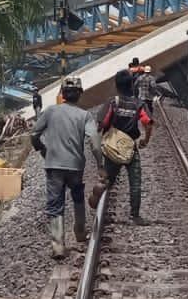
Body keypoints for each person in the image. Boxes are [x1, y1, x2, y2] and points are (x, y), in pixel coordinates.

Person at [29, 77, 96, 258]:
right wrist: (101, 165)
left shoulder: (50, 112)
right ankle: (80, 232)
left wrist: (41, 148)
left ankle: (58, 246)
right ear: (80, 94)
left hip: (54, 166)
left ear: (63, 95)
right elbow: (95, 143)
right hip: (75, 166)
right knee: (77, 196)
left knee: (55, 204)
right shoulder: (85, 116)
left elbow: (34, 133)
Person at [90, 69, 153, 224]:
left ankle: (99, 193)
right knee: (135, 182)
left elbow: (102, 123)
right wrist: (145, 139)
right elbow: (148, 122)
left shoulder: (113, 102)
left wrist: (102, 137)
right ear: (132, 86)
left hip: (112, 147)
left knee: (108, 178)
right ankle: (135, 215)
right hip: (130, 148)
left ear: (116, 85)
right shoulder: (138, 104)